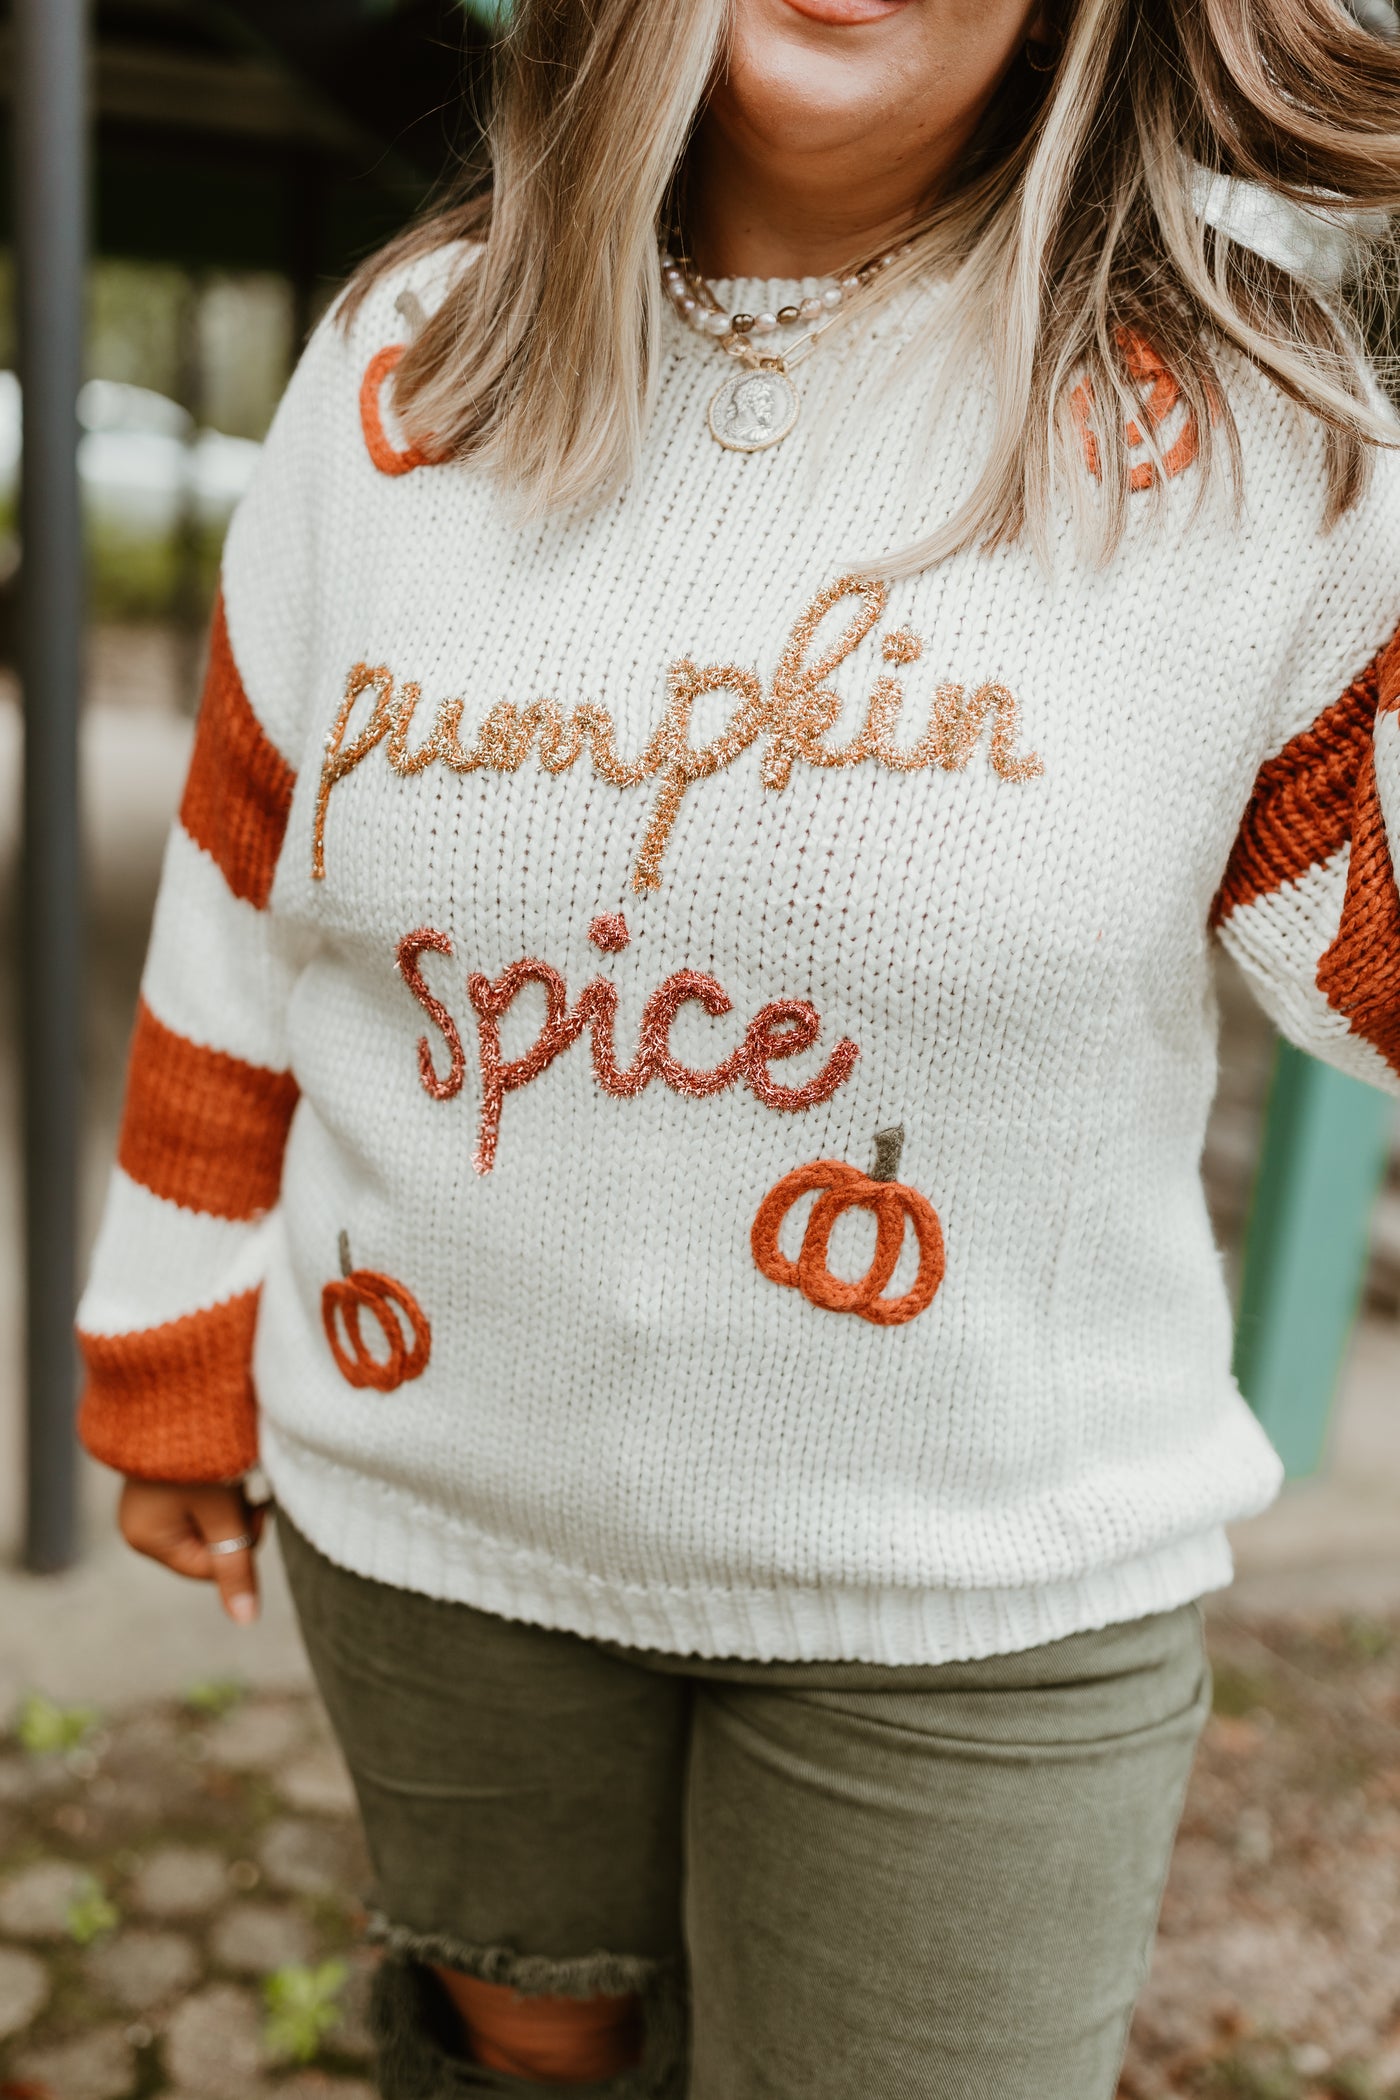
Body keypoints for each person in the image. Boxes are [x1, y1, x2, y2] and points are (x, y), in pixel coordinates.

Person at [77, 0, 1400, 2093]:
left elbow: (1373, 963)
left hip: (969, 1600)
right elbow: (249, 884)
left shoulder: (1248, 435)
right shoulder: (405, 361)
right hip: (436, 1530)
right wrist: (169, 1345)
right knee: (523, 2059)